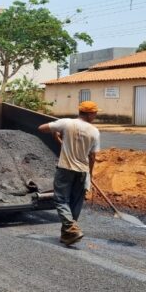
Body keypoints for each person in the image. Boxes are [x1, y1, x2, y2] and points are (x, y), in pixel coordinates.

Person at [38, 101, 101, 246]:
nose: (96, 115)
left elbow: (41, 128)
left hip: (65, 169)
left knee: (61, 200)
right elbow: (92, 156)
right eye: (95, 113)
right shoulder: (94, 131)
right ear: (89, 113)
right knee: (75, 202)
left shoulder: (66, 123)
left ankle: (71, 229)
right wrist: (89, 174)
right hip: (82, 171)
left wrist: (54, 130)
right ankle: (68, 234)